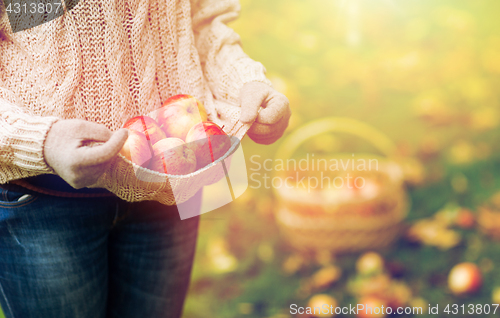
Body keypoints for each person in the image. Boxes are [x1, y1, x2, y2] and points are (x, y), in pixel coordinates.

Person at [0, 0, 291, 317]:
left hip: (171, 180)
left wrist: (243, 82)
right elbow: (19, 16)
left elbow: (203, 19)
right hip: (44, 200)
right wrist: (37, 141)